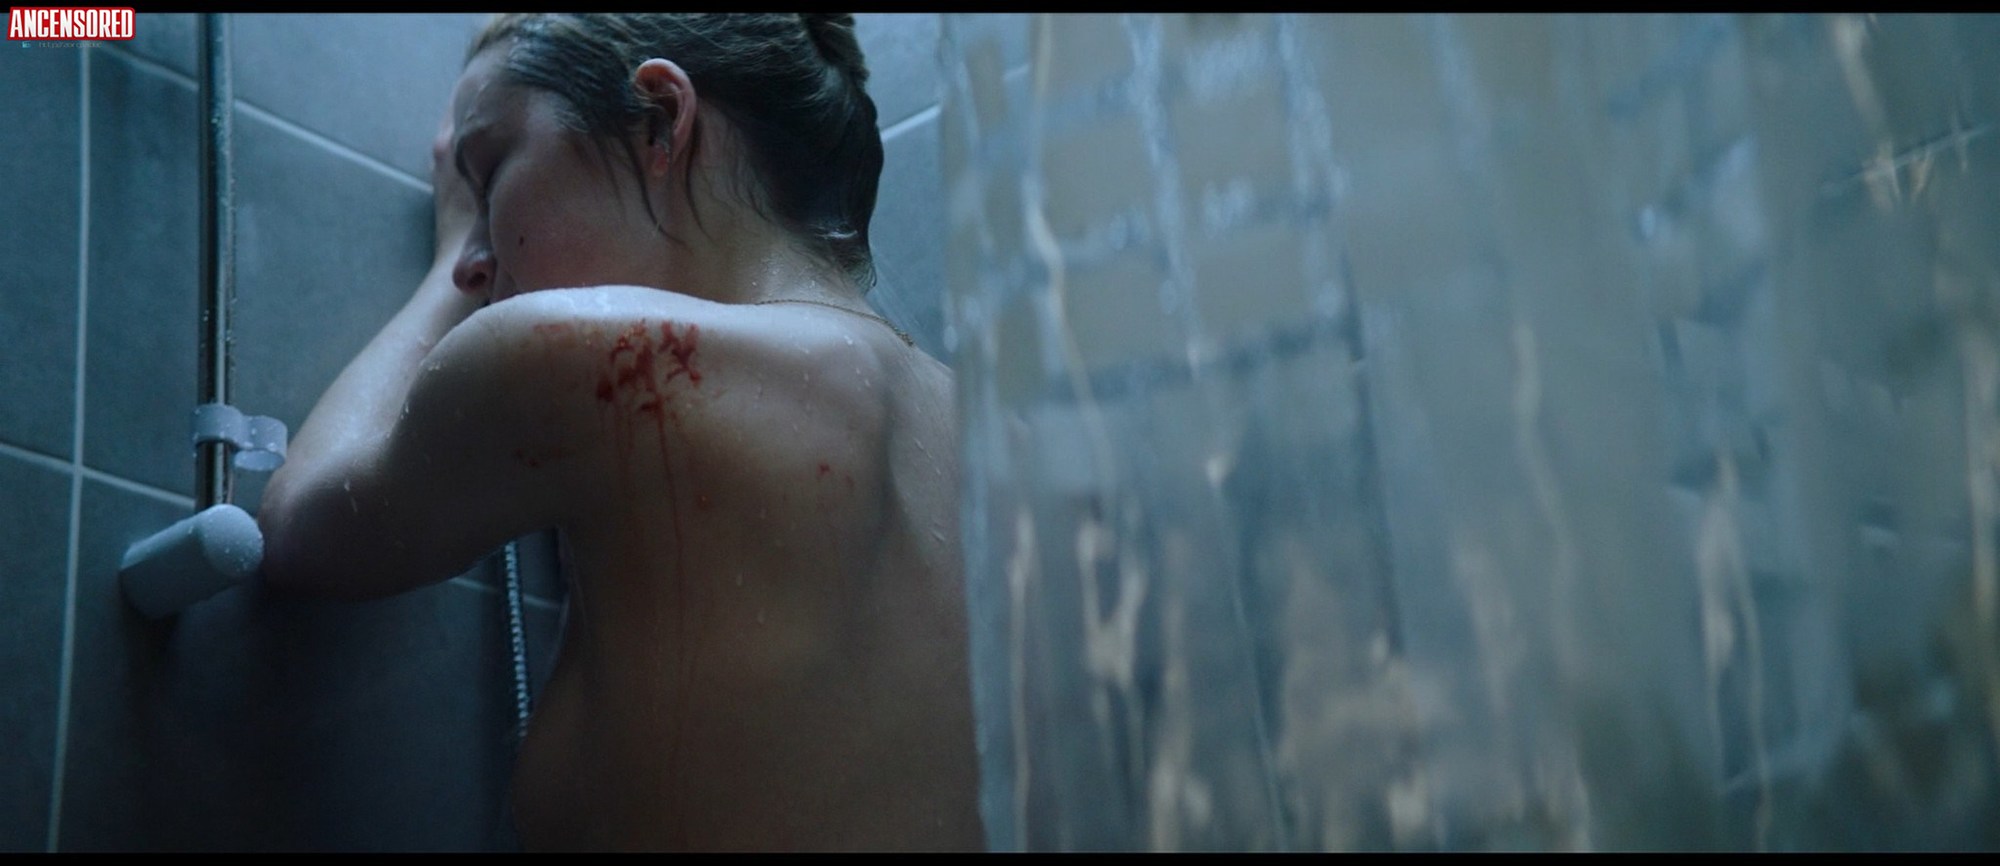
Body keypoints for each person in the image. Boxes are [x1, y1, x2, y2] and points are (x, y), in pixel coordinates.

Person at [256, 13, 981, 851]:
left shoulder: (601, 361)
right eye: (472, 199)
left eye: (490, 172)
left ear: (660, 120)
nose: (476, 262)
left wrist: (450, 255)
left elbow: (302, 529)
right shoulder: (1003, 443)